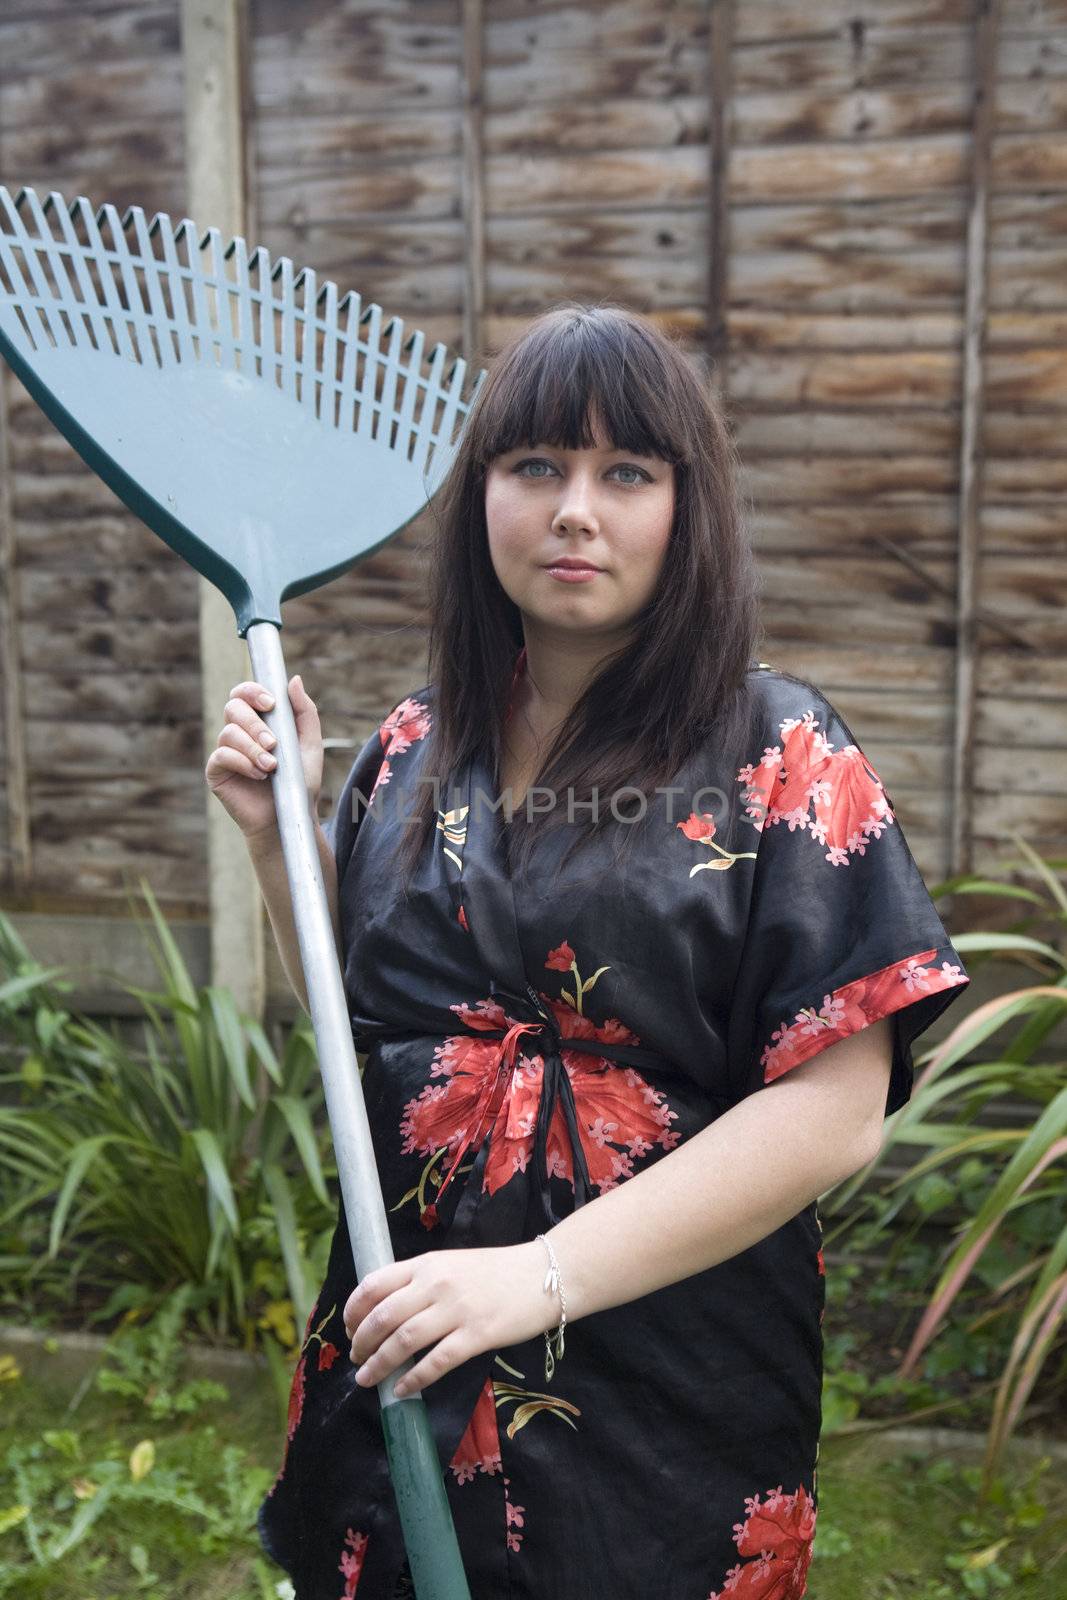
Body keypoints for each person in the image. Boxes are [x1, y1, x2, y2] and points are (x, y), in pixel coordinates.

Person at [206, 304, 972, 1599]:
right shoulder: (412, 745)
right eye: (538, 467)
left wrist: (538, 1279)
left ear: (689, 507)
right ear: (482, 497)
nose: (577, 510)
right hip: (401, 1374)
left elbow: (836, 1111)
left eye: (627, 473)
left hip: (658, 1402)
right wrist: (276, 849)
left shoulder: (778, 754)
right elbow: (367, 1029)